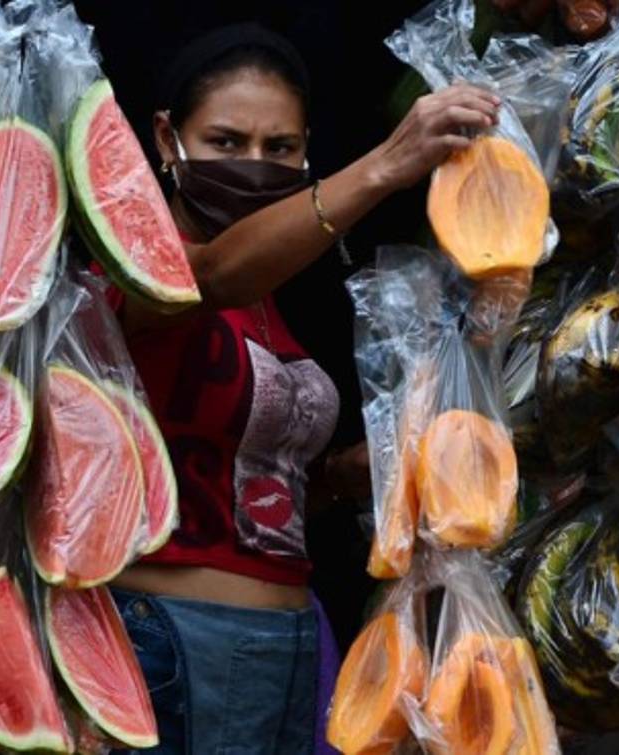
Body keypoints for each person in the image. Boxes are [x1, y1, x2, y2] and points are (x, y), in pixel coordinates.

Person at [104, 23, 501, 754]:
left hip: (290, 643)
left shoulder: (273, 301)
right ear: (166, 138)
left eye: (279, 149)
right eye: (227, 142)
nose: (254, 164)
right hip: (175, 640)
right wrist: (385, 165)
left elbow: (250, 484)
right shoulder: (136, 270)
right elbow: (213, 275)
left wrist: (345, 478)